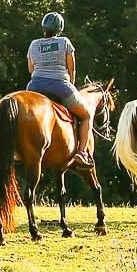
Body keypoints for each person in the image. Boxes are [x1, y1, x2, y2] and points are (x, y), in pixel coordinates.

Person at [26, 12, 95, 167]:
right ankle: (82, 152)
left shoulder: (34, 45)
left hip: (34, 86)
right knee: (86, 116)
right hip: (60, 86)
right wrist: (72, 84)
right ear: (60, 28)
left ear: (43, 27)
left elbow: (31, 69)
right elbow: (72, 69)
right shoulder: (64, 42)